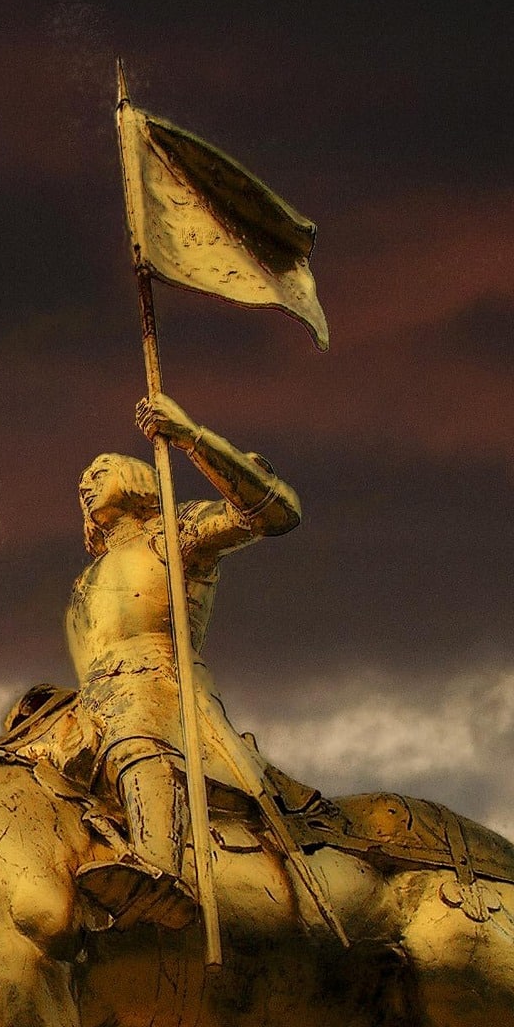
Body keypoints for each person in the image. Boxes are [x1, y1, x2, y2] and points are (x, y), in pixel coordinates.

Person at [67, 392, 301, 928]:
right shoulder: (88, 577)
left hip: (159, 687)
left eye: (98, 470)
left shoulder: (174, 535)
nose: (85, 483)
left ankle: (159, 870)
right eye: (82, 480)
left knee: (137, 738)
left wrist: (190, 436)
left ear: (135, 478)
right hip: (92, 700)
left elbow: (274, 512)